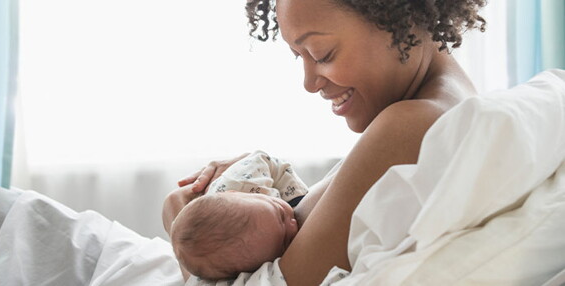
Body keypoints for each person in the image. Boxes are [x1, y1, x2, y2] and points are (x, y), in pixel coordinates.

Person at [163, 0, 487, 284]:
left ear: (396, 15)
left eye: (322, 54)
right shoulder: (432, 113)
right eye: (298, 56)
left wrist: (181, 227)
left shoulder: (411, 125)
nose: (308, 82)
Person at [167, 151, 309, 280]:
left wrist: (298, 199)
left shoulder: (243, 182)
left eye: (281, 214)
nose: (293, 225)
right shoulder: (246, 255)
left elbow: (263, 158)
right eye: (284, 242)